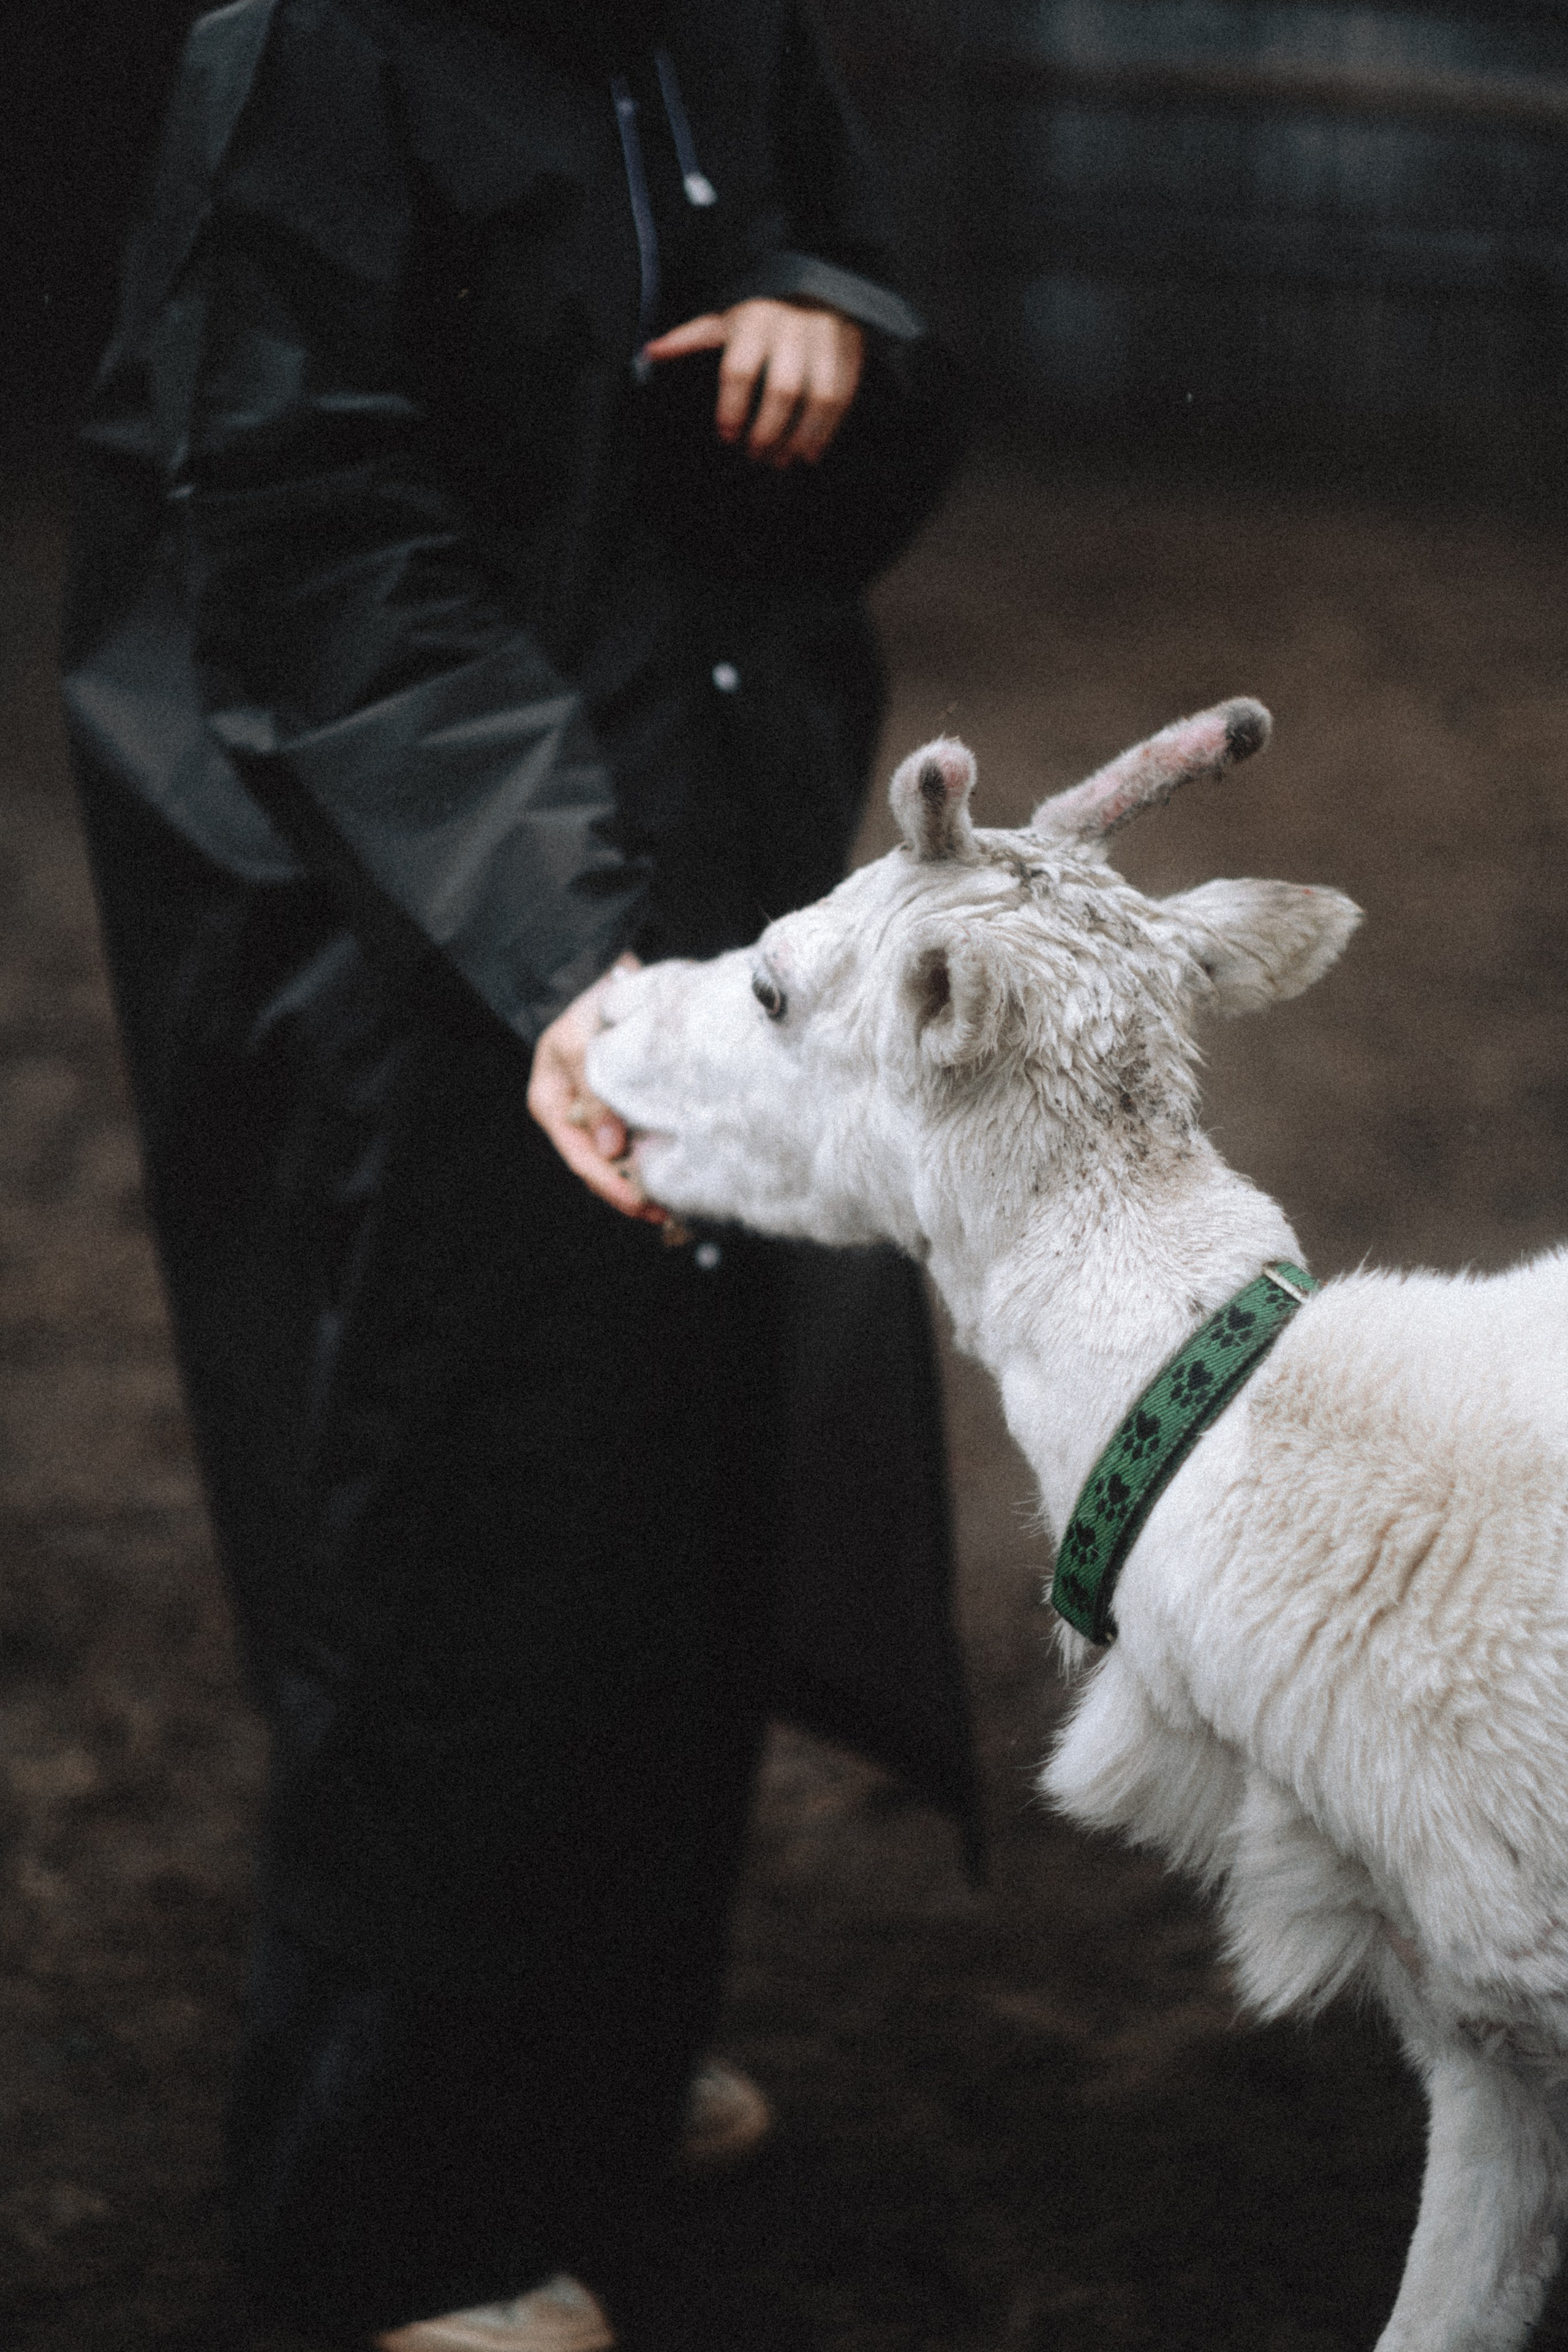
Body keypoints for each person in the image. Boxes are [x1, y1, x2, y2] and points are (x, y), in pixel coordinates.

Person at [61, 1, 974, 2343]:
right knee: (466, 1525)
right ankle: (400, 2215)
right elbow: (307, 536)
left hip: (705, 867)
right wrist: (557, 956)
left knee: (683, 1494)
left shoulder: (724, 28)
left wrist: (835, 333)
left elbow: (863, 304)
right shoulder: (312, 51)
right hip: (421, 916)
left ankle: (594, 2072)